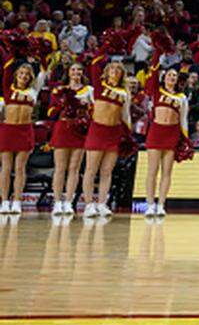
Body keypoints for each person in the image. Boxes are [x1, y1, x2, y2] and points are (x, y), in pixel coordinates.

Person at [82, 54, 131, 218]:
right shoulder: (99, 85)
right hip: (97, 130)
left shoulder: (124, 93)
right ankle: (89, 205)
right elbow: (94, 63)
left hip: (114, 132)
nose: (115, 71)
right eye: (112, 68)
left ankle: (102, 203)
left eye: (118, 69)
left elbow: (126, 116)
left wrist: (128, 135)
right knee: (91, 170)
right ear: (107, 71)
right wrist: (106, 48)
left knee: (107, 171)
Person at [0, 52, 47, 215]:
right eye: (21, 73)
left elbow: (44, 73)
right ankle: (5, 201)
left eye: (27, 74)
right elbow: (6, 68)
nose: (24, 76)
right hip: (8, 130)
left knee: (20, 168)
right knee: (6, 167)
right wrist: (13, 52)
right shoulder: (7, 88)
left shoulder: (33, 91)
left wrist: (39, 56)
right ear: (16, 75)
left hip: (25, 131)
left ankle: (17, 201)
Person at [142, 61, 189, 217]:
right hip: (156, 131)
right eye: (169, 75)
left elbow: (184, 119)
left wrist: (186, 140)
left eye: (174, 76)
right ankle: (149, 204)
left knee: (167, 171)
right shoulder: (157, 91)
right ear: (164, 77)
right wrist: (158, 54)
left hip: (172, 132)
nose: (172, 77)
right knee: (152, 170)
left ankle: (161, 204)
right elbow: (153, 73)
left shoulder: (182, 97)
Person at [47, 62, 92, 215]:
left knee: (74, 168)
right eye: (73, 69)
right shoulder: (59, 89)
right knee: (60, 168)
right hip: (63, 127)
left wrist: (86, 107)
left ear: (83, 72)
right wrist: (62, 103)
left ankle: (69, 202)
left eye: (79, 69)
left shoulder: (89, 90)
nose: (76, 72)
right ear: (68, 72)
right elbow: (50, 112)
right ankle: (57, 201)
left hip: (80, 130)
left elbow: (94, 111)